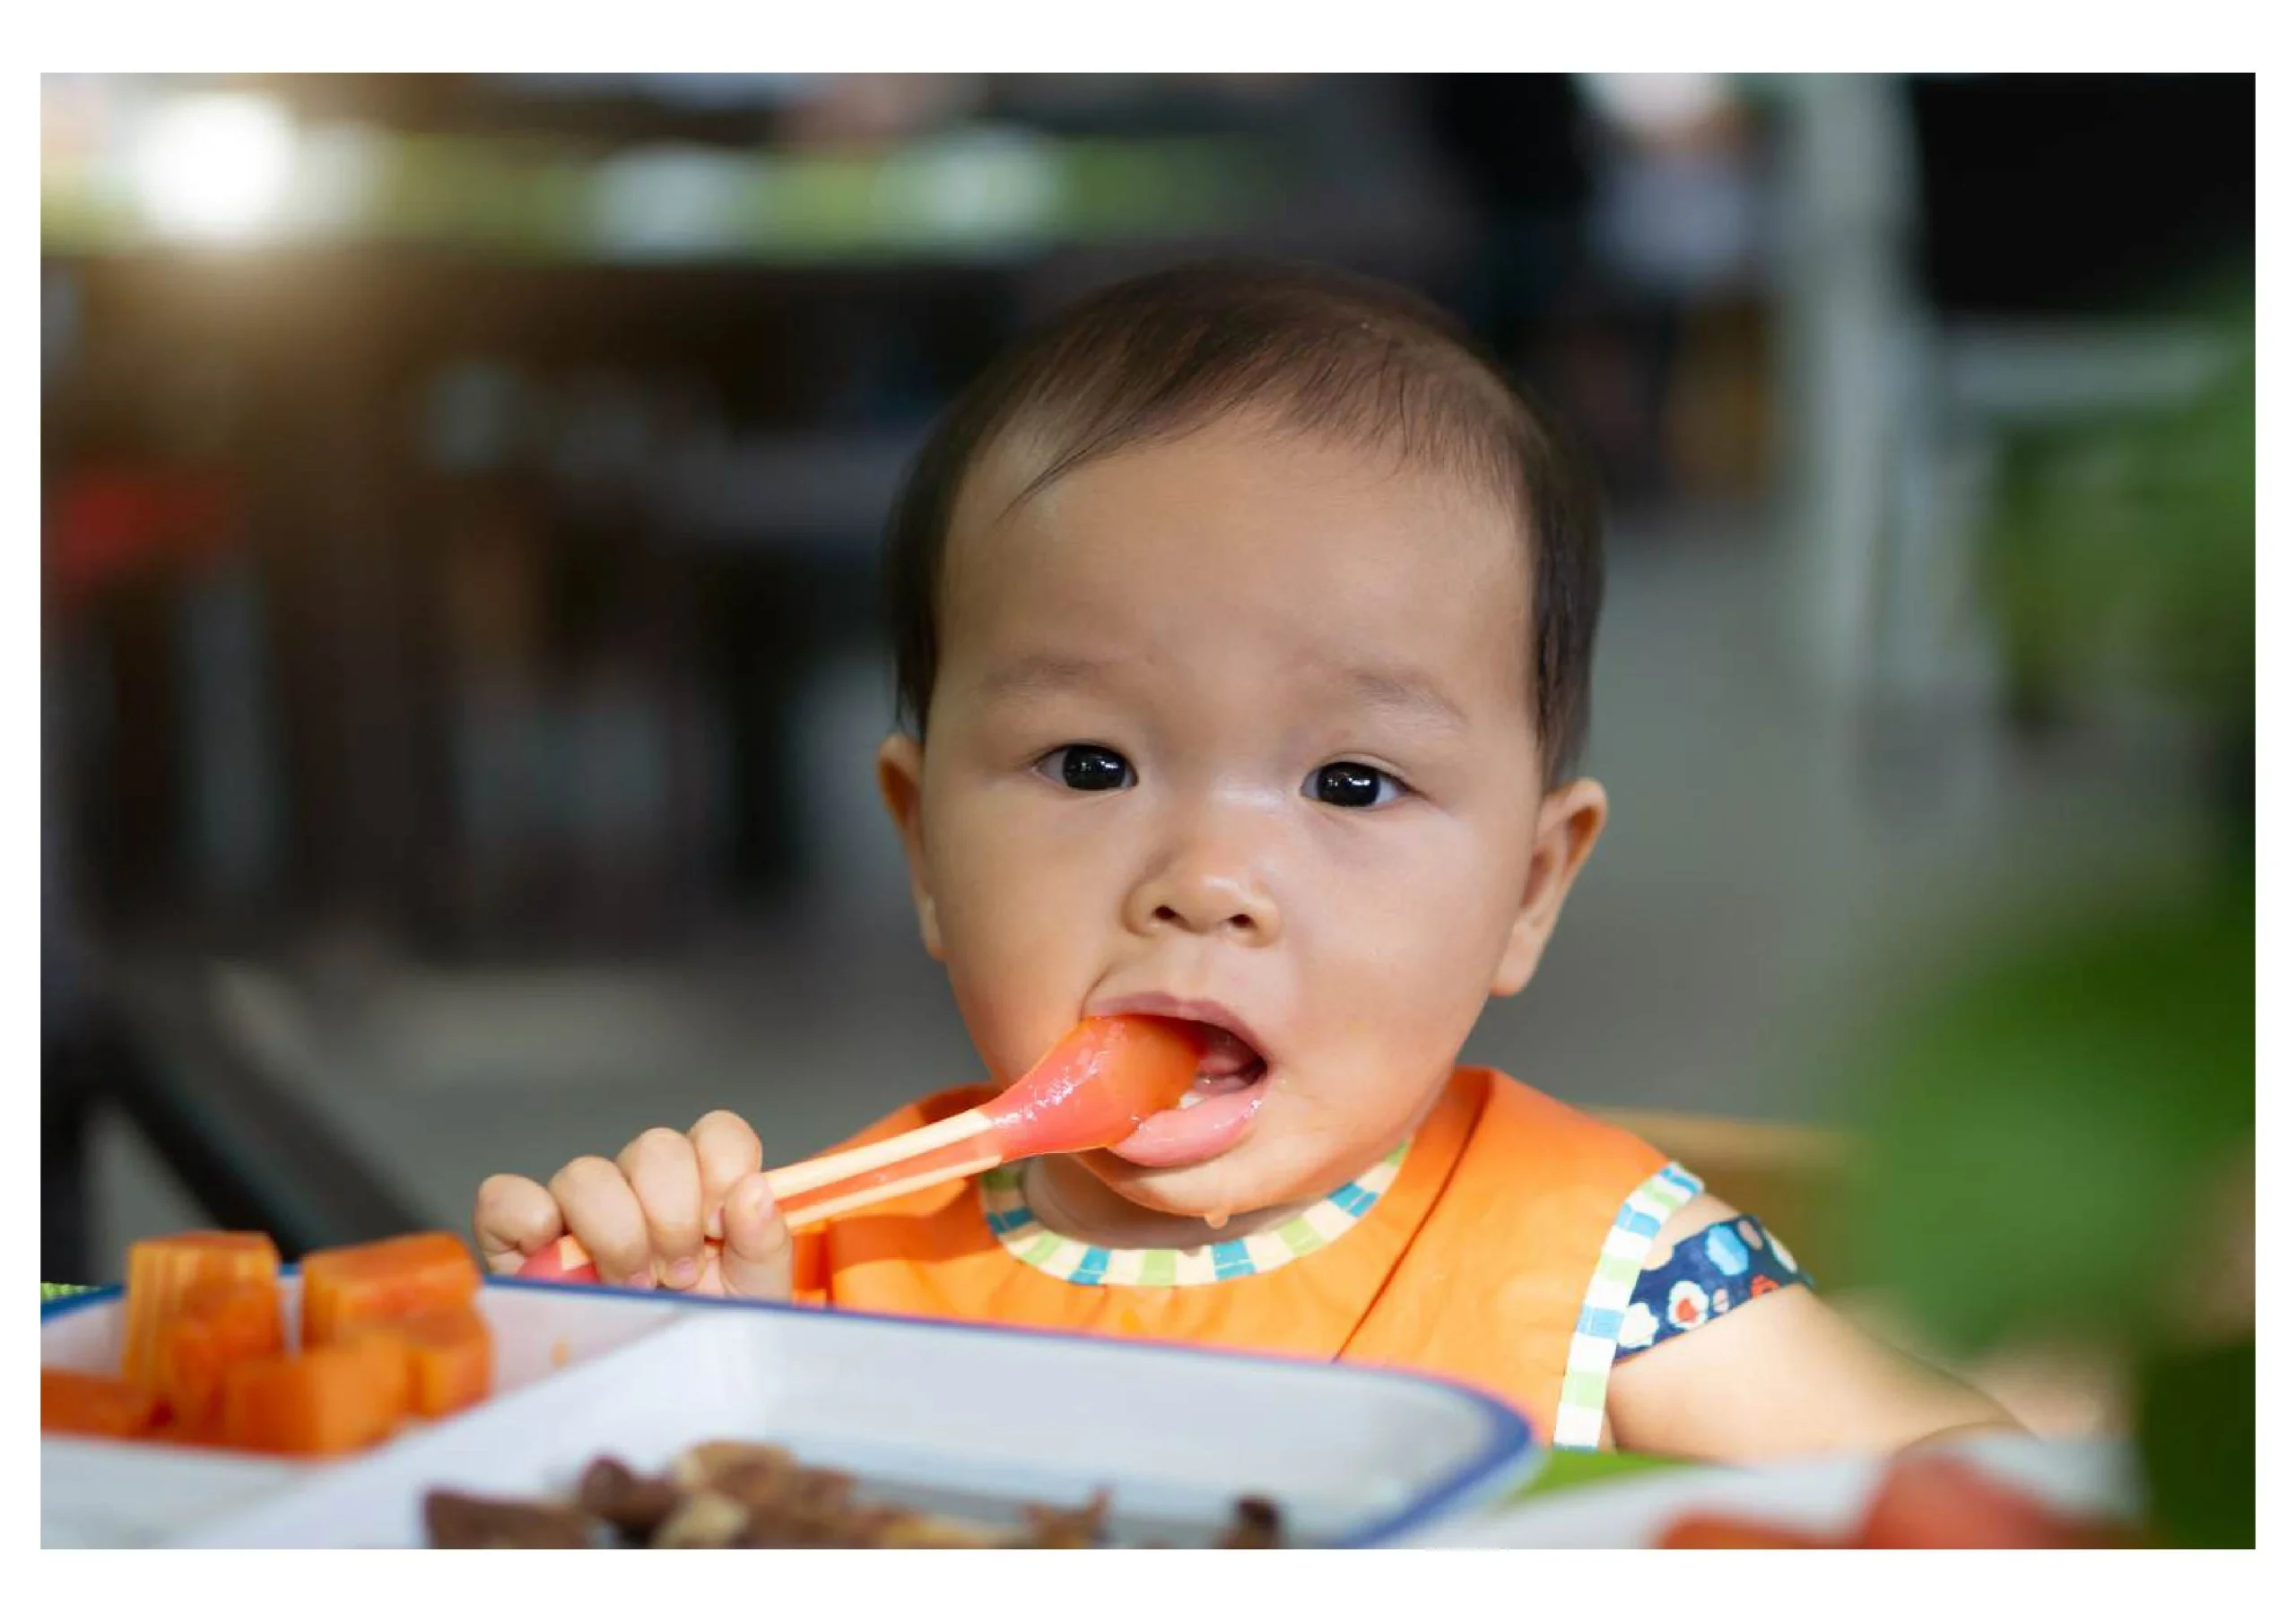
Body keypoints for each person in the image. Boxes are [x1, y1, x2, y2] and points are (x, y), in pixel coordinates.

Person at [474, 260, 2011, 1460]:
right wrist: (660, 1381)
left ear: (1531, 889)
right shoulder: (822, 1267)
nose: (1206, 877)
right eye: (1091, 764)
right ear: (921, 844)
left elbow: (1975, 1506)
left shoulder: (1607, 1271)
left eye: (1350, 781)